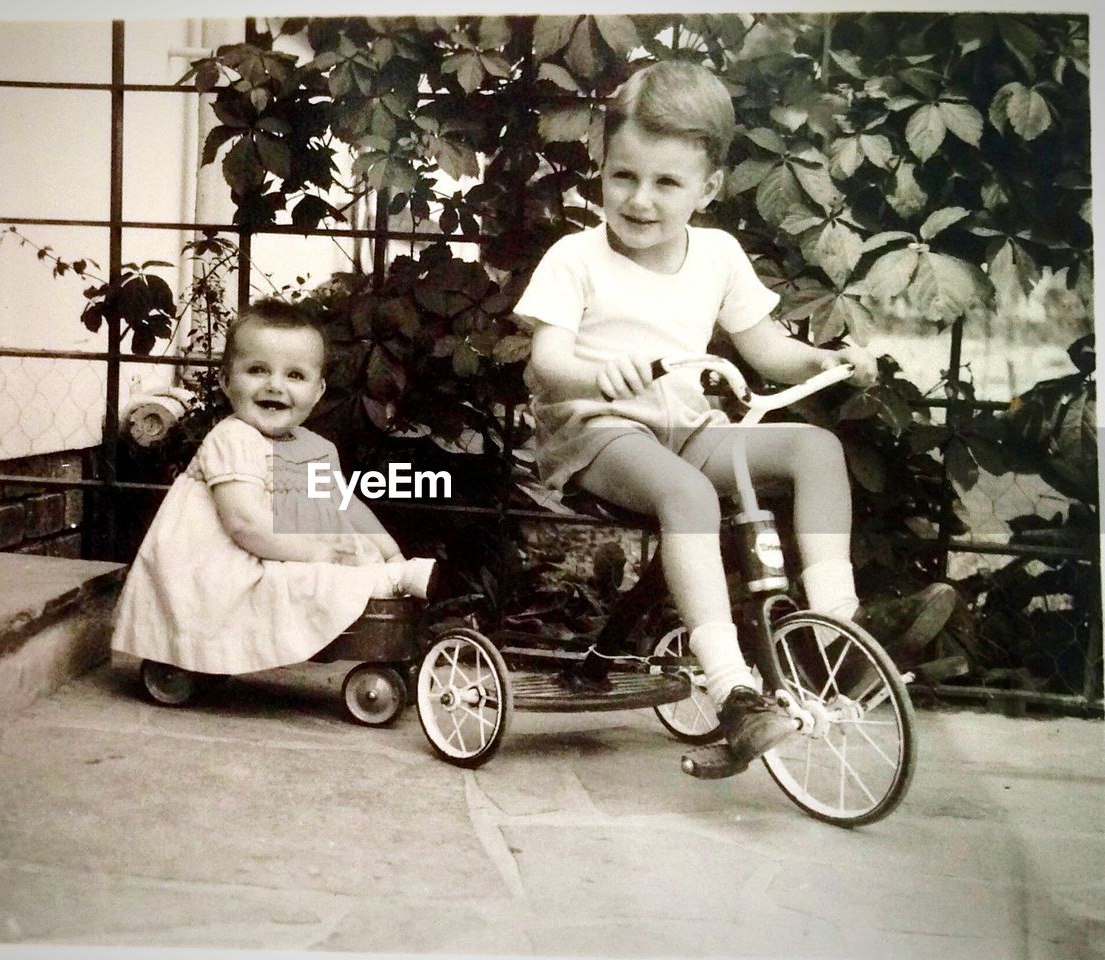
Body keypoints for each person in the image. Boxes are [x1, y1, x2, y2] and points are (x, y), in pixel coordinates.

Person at [516, 59, 953, 766]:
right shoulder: (577, 258)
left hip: (688, 426)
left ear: (709, 187)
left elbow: (768, 351)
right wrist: (602, 373)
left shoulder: (717, 254)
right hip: (597, 430)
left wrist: (822, 359)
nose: (640, 200)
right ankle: (732, 691)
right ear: (601, 168)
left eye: (667, 183)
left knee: (814, 449)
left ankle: (837, 628)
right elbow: (546, 362)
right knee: (688, 494)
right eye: (623, 176)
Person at [111, 299, 435, 677]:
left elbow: (345, 506)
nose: (275, 385)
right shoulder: (234, 440)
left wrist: (388, 549)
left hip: (284, 550)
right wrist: (318, 553)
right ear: (225, 381)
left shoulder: (316, 448)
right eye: (257, 370)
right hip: (231, 564)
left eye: (295, 375)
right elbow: (245, 523)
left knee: (340, 562)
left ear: (318, 391)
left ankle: (394, 573)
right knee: (311, 576)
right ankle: (390, 581)